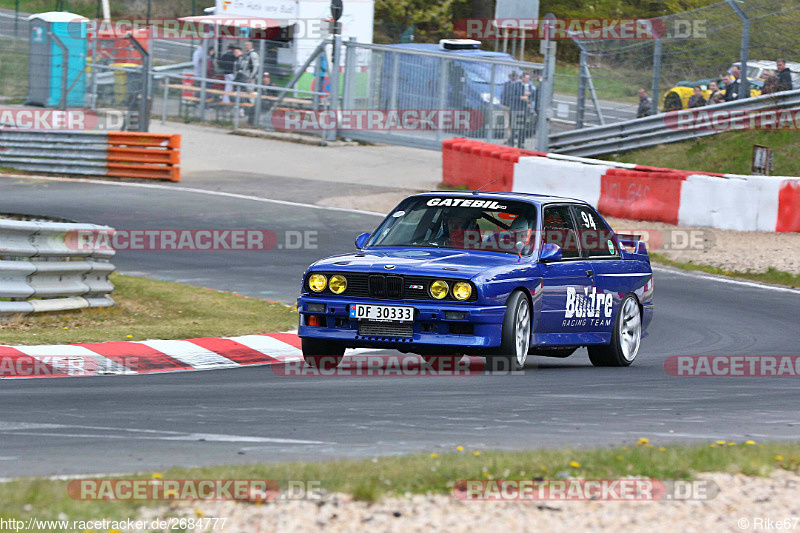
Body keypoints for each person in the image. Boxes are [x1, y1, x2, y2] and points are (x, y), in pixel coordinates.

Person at [501, 71, 527, 148]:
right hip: (507, 105)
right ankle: (508, 139)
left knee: (513, 124)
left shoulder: (518, 85)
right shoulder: (507, 84)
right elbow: (504, 94)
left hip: (513, 106)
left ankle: (511, 139)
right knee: (507, 123)